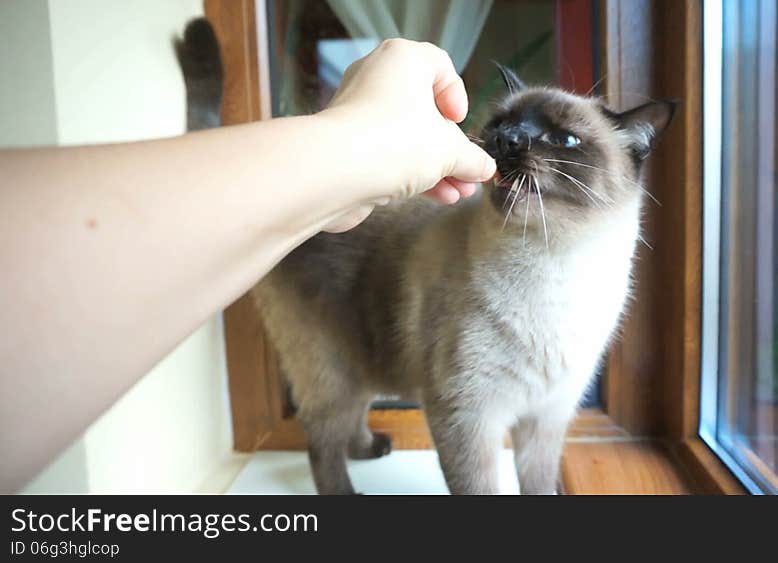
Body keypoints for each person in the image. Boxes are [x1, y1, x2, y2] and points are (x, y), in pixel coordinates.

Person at [0, 39, 496, 492]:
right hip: (315, 269)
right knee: (330, 378)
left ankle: (355, 439)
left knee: (350, 372)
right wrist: (356, 147)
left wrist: (349, 157)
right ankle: (330, 472)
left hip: (339, 239)